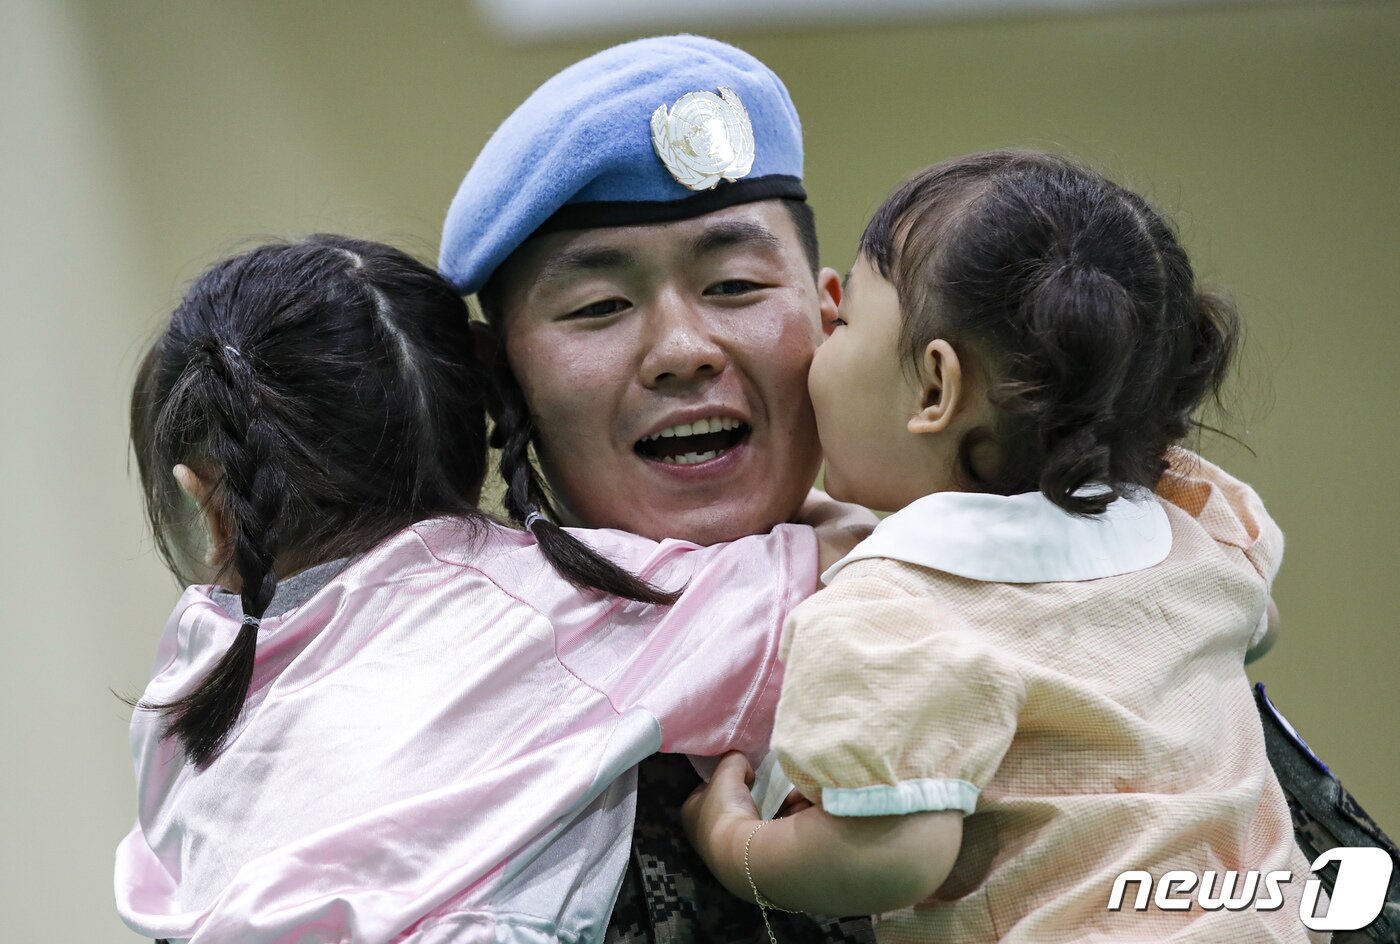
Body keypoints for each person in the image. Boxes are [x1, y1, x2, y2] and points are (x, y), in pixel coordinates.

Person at [114, 235, 862, 943]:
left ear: (204, 502)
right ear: (485, 411)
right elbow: (859, 575)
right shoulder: (555, 608)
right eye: (600, 305)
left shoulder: (182, 683)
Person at [682, 150, 1320, 942]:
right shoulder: (1191, 522)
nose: (824, 324)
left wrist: (733, 844)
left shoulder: (893, 611)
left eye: (845, 321)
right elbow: (1258, 625)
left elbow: (894, 853)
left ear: (935, 389)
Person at [439, 35, 875, 944]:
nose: (683, 350)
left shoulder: (1004, 625)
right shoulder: (445, 715)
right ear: (501, 378)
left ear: (833, 317)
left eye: (735, 284)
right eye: (599, 306)